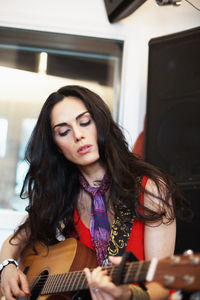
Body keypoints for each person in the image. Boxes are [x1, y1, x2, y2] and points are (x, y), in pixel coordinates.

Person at [0, 85, 190, 300]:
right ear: (56, 147)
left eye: (84, 122)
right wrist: (7, 267)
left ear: (100, 123)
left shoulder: (150, 188)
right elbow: (13, 242)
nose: (78, 135)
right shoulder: (62, 196)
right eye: (64, 131)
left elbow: (163, 285)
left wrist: (127, 294)